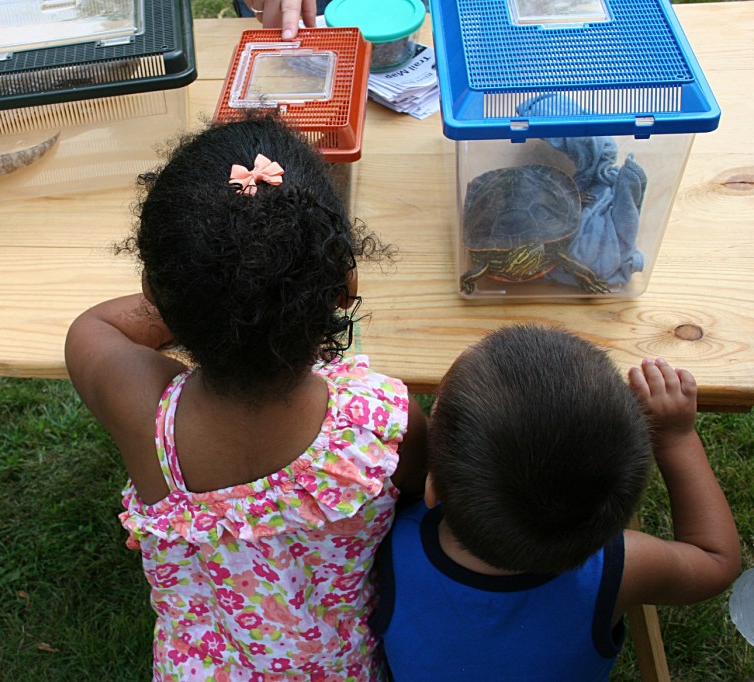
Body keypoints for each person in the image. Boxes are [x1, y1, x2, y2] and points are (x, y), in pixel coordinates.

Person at [65, 115, 428, 680]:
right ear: (345, 287)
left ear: (158, 298)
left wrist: (197, 290)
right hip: (336, 667)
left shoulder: (139, 410)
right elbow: (426, 501)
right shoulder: (379, 426)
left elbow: (95, 326)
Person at [373, 324, 741, 680]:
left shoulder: (381, 549)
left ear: (432, 485)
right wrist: (676, 438)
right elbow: (715, 561)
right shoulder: (621, 570)